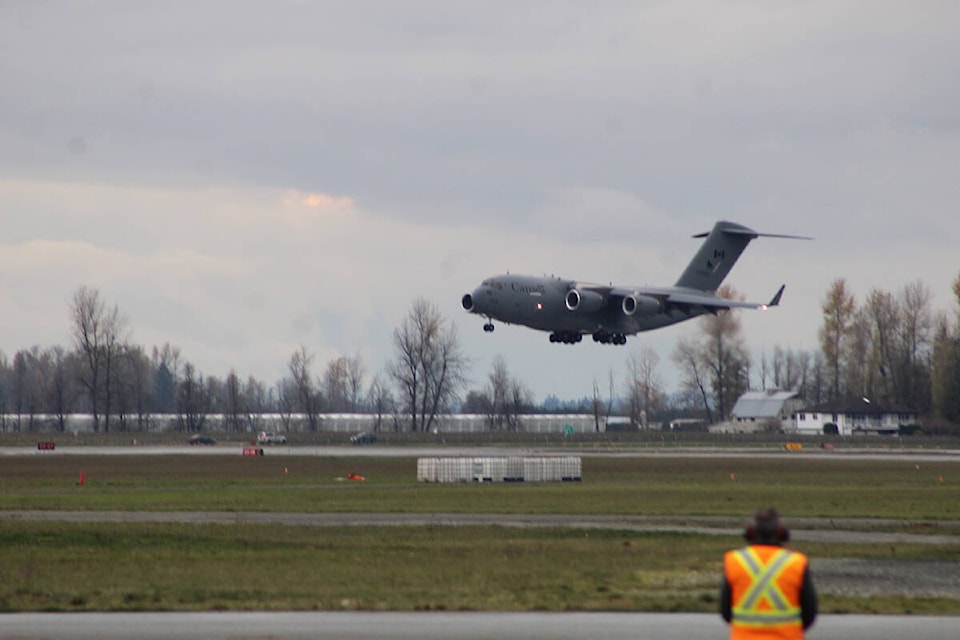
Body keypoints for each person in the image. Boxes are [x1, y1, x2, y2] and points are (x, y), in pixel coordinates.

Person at [720, 507, 817, 639]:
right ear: (781, 532)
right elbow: (809, 613)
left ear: (750, 532)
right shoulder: (796, 562)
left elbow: (726, 612)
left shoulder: (734, 561)